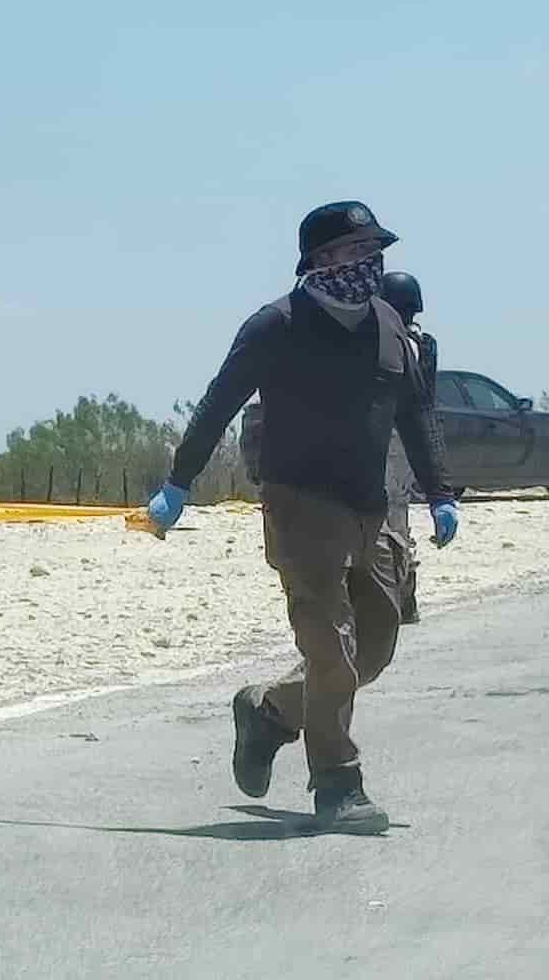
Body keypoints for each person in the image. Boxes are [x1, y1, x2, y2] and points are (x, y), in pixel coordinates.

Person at [145, 201, 457, 834]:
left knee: (373, 647)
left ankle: (269, 713)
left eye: (375, 254)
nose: (366, 266)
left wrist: (442, 491)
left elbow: (416, 414)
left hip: (370, 510)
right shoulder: (276, 326)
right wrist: (179, 483)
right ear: (318, 262)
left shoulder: (391, 327)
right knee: (330, 645)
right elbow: (217, 403)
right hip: (299, 505)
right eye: (352, 253)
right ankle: (339, 785)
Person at [379, 270, 436, 624]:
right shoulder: (424, 342)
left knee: (390, 519)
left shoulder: (396, 340)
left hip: (391, 438)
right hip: (409, 441)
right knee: (398, 517)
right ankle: (405, 597)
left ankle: (400, 598)